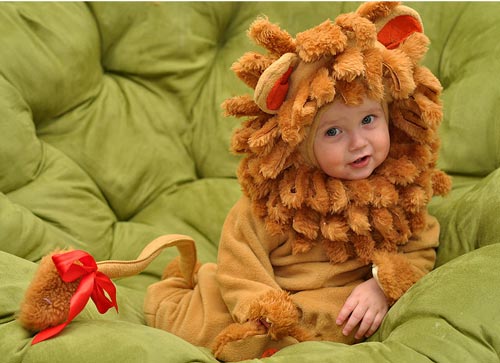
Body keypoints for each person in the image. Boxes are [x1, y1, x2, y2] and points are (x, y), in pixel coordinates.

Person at [144, 2, 451, 361]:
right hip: (267, 301)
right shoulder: (280, 203)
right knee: (201, 325)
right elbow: (240, 261)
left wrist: (381, 287)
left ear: (388, 114)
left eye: (369, 119)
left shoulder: (399, 191)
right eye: (333, 131)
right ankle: (173, 293)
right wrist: (263, 313)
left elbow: (419, 247)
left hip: (335, 316)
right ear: (302, 143)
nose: (358, 142)